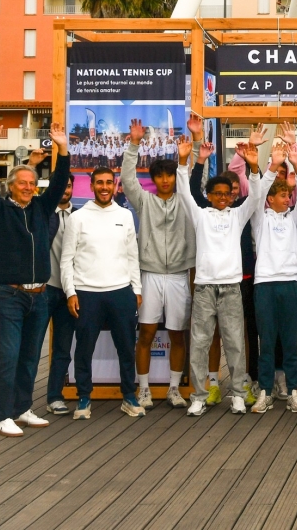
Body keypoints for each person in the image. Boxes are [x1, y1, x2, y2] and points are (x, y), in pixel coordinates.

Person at [0, 115, 71, 437]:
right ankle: (2, 414)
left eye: (32, 184)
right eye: (23, 184)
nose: (29, 188)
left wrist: (63, 150)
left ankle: (21, 409)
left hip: (39, 296)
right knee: (8, 355)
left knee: (31, 356)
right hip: (9, 294)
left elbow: (59, 184)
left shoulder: (40, 209)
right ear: (11, 187)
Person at [176, 132, 268, 416]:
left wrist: (254, 168)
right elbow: (184, 192)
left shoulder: (237, 215)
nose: (222, 199)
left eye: (226, 194)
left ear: (231, 196)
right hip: (204, 287)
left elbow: (257, 197)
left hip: (231, 288)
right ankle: (199, 396)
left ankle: (239, 394)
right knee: (200, 344)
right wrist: (186, 160)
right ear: (209, 196)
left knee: (235, 344)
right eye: (216, 194)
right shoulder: (200, 214)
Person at [122, 116, 197, 411]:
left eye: (170, 175)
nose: (166, 180)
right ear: (153, 179)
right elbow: (128, 180)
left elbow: (196, 176)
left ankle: (174, 388)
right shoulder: (145, 201)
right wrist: (134, 144)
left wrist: (194, 144)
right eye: (160, 176)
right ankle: (143, 390)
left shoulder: (187, 201)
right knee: (148, 334)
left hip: (179, 274)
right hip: (150, 274)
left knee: (178, 334)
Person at [60, 166, 143, 420]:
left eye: (109, 182)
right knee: (84, 350)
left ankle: (129, 396)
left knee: (127, 349)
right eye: (100, 183)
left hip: (121, 292)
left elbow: (132, 255)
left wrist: (136, 289)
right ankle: (84, 398)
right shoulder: (78, 217)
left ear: (115, 184)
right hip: (87, 294)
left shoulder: (125, 215)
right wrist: (70, 292)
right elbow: (67, 260)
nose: (105, 187)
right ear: (92, 185)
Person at [249, 143, 297, 415]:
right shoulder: (259, 218)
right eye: (283, 195)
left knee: (289, 340)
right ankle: (264, 392)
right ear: (270, 199)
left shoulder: (293, 218)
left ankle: (294, 392)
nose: (288, 198)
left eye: (288, 194)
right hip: (264, 283)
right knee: (266, 340)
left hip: (290, 282)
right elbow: (256, 192)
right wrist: (272, 166)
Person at [43, 182, 77, 415]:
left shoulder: (81, 216)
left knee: (63, 348)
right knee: (33, 346)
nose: (64, 190)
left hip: (70, 293)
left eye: (68, 186)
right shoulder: (42, 213)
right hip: (44, 289)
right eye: (61, 186)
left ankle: (55, 396)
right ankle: (19, 399)